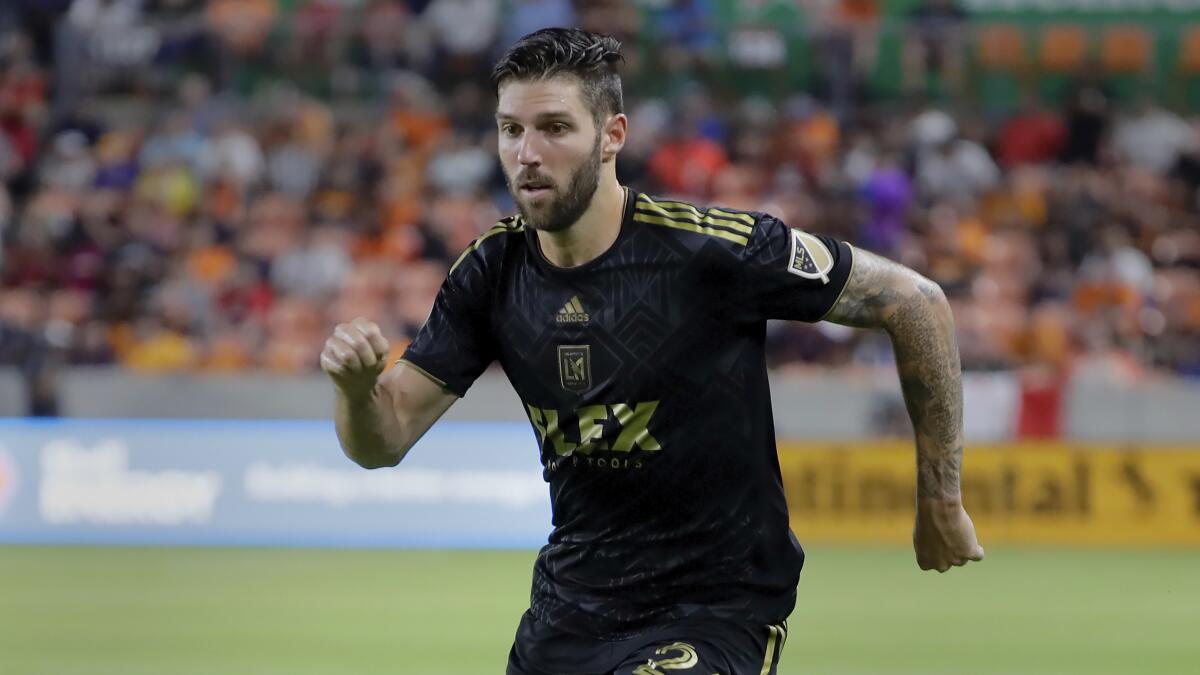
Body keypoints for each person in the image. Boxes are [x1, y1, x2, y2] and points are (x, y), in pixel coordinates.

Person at [321, 28, 983, 675]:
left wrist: (940, 497)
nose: (526, 153)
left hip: (714, 610)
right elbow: (383, 440)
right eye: (510, 129)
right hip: (567, 617)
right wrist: (357, 391)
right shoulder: (491, 272)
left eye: (554, 128)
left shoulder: (708, 251)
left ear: (612, 137)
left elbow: (915, 301)